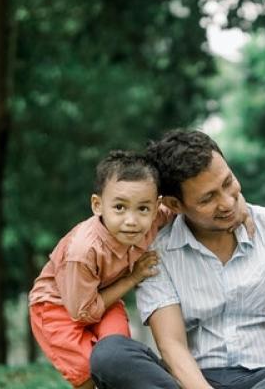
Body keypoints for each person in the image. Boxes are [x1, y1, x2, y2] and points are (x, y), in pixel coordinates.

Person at [89, 129, 265, 389]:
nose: (227, 202)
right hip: (200, 380)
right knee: (110, 354)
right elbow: (172, 345)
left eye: (228, 183)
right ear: (174, 205)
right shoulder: (157, 254)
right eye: (208, 198)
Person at [29, 150, 171, 389]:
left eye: (143, 209)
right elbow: (81, 312)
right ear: (97, 205)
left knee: (118, 358)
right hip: (58, 306)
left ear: (156, 207)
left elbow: (187, 208)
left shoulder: (155, 219)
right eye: (119, 207)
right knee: (86, 372)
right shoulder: (83, 251)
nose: (132, 221)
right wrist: (133, 277)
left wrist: (241, 210)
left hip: (104, 297)